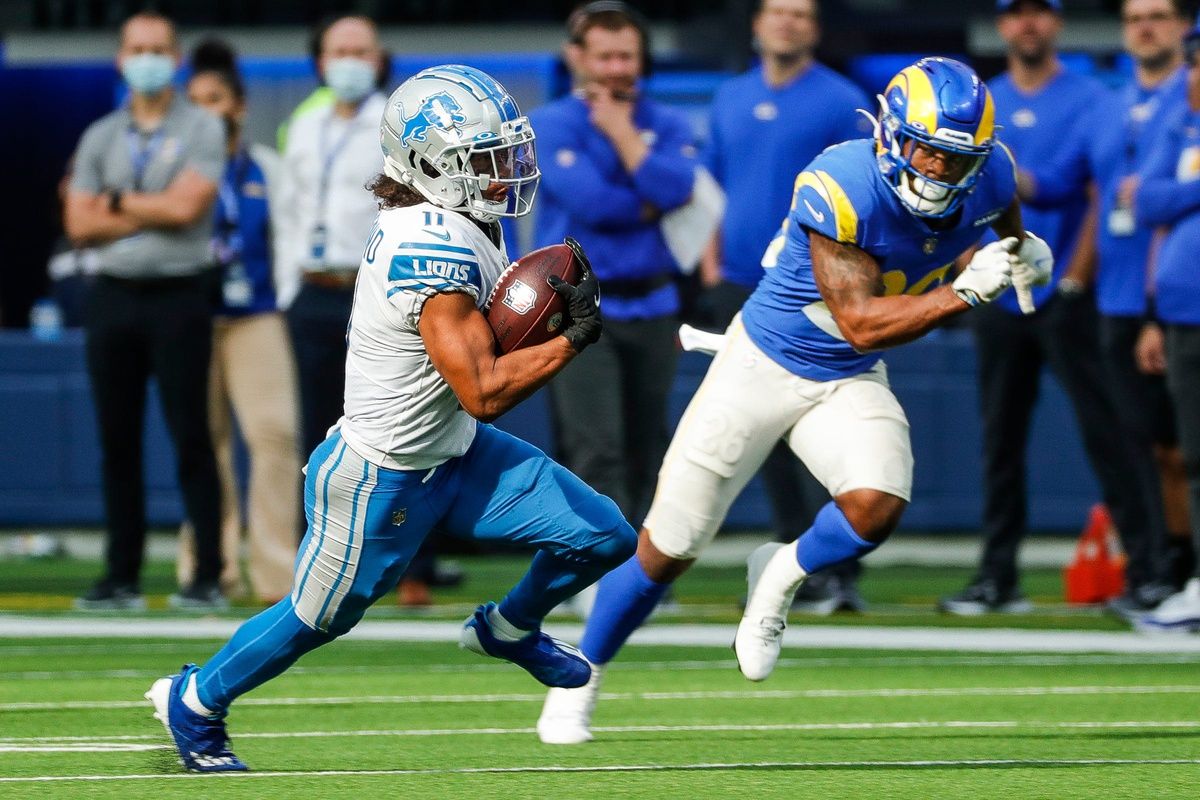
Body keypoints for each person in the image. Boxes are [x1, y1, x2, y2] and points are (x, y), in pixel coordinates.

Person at [538, 57, 1049, 743]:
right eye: (927, 149)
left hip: (845, 375)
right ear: (891, 136)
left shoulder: (989, 175)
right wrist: (964, 289)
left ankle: (777, 575)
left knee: (878, 503)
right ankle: (581, 674)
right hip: (762, 364)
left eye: (956, 159)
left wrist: (1023, 254)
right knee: (670, 545)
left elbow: (1002, 232)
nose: (938, 170)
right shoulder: (841, 184)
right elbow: (861, 319)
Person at [145, 65, 636, 773]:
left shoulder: (455, 218)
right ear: (431, 166)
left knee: (600, 536)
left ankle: (509, 628)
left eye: (507, 154)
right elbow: (485, 390)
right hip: (382, 474)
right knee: (317, 620)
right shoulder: (429, 248)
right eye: (486, 161)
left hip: (455, 453)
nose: (506, 174)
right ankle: (195, 701)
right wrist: (573, 335)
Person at [940, 0, 1175, 618]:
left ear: (1057, 24)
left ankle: (1148, 569)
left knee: (1112, 437)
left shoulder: (1092, 99)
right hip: (999, 288)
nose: (1027, 25)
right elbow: (961, 192)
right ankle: (997, 576)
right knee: (999, 439)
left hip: (1067, 295)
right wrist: (965, 258)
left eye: (1039, 14)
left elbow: (1092, 191)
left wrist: (1074, 280)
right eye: (1015, 15)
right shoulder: (978, 98)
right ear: (1002, 26)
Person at [1001, 0, 1195, 610]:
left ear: (1182, 28)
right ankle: (1153, 569)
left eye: (1158, 16)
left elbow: (1152, 200)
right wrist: (998, 169)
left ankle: (1180, 568)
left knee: (1181, 447)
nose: (1145, 27)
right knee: (1131, 444)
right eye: (1135, 17)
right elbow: (1061, 185)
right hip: (1113, 298)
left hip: (1171, 296)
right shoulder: (1106, 106)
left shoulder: (1188, 100)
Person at [702, 0, 871, 613]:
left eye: (800, 13)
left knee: (825, 430)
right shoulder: (730, 97)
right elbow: (712, 187)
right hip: (739, 282)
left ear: (815, 29)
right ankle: (801, 563)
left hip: (809, 288)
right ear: (756, 23)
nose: (788, 22)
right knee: (763, 435)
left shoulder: (842, 100)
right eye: (777, 11)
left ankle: (840, 566)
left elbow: (864, 194)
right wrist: (711, 263)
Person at [64, 11, 227, 611]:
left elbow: (188, 210)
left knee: (192, 436)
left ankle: (206, 574)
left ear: (176, 57)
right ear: (121, 59)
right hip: (112, 295)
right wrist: (144, 206)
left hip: (179, 294)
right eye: (138, 47)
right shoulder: (100, 134)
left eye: (158, 47)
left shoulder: (203, 126)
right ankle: (120, 575)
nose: (148, 57)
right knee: (117, 441)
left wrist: (111, 201)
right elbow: (78, 224)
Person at [532, 1, 699, 526]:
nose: (616, 69)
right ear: (575, 57)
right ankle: (598, 566)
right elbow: (595, 207)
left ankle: (645, 569)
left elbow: (680, 187)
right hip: (574, 309)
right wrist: (648, 198)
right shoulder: (550, 122)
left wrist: (622, 133)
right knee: (595, 445)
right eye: (604, 57)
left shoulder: (666, 120)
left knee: (650, 444)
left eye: (627, 56)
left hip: (654, 302)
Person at [173, 39, 301, 605]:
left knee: (275, 437)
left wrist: (282, 298)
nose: (206, 109)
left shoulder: (266, 169)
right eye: (195, 99)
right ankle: (209, 567)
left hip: (255, 315)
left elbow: (292, 238)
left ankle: (278, 578)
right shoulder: (174, 171)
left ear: (239, 105)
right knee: (206, 444)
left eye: (216, 98)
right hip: (191, 316)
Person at [279, 15, 389, 461]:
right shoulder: (307, 123)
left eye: (360, 53)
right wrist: (290, 291)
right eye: (340, 53)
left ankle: (380, 531)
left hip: (370, 294)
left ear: (378, 60)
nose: (350, 63)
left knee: (378, 425)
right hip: (312, 291)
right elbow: (290, 210)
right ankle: (315, 531)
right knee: (314, 429)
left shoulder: (394, 123)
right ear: (322, 62)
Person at [1133, 16, 1200, 630]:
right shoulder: (1179, 121)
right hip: (1181, 311)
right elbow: (1144, 199)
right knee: (1192, 453)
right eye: (1197, 63)